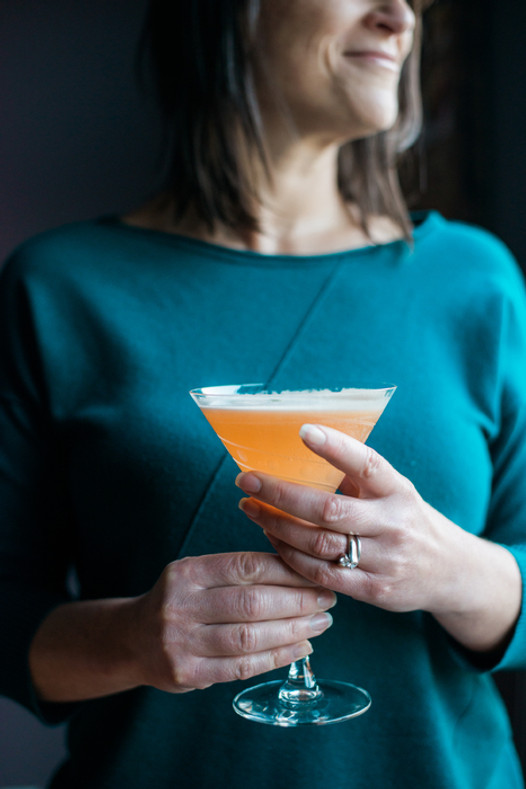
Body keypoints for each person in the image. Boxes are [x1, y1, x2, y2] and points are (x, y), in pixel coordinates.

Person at [0, 1, 524, 787]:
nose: (399, 17)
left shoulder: (474, 279)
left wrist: (451, 570)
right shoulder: (59, 286)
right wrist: (130, 639)